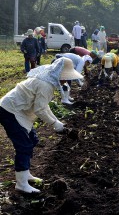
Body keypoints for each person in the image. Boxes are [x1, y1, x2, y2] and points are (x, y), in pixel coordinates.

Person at [0, 57, 83, 193]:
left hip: (21, 110)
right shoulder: (46, 85)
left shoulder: (48, 79)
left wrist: (57, 121)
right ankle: (21, 183)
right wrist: (53, 123)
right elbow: (39, 109)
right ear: (59, 73)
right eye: (65, 77)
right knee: (24, 145)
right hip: (10, 110)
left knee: (32, 140)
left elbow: (44, 106)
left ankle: (25, 173)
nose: (66, 80)